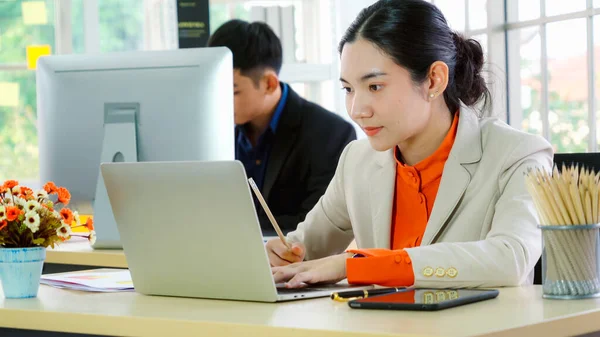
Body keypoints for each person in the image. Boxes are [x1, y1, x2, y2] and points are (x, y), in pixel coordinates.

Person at [266, 0, 553, 289]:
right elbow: (303, 249)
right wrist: (280, 256)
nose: (356, 110)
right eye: (349, 89)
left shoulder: (519, 155)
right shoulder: (357, 160)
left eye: (374, 87)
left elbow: (509, 259)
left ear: (433, 80)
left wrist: (359, 266)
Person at [207, 20, 357, 234]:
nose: (219, 102)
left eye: (232, 91)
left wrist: (229, 228)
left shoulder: (330, 134)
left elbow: (319, 226)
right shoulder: (215, 132)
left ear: (269, 83)